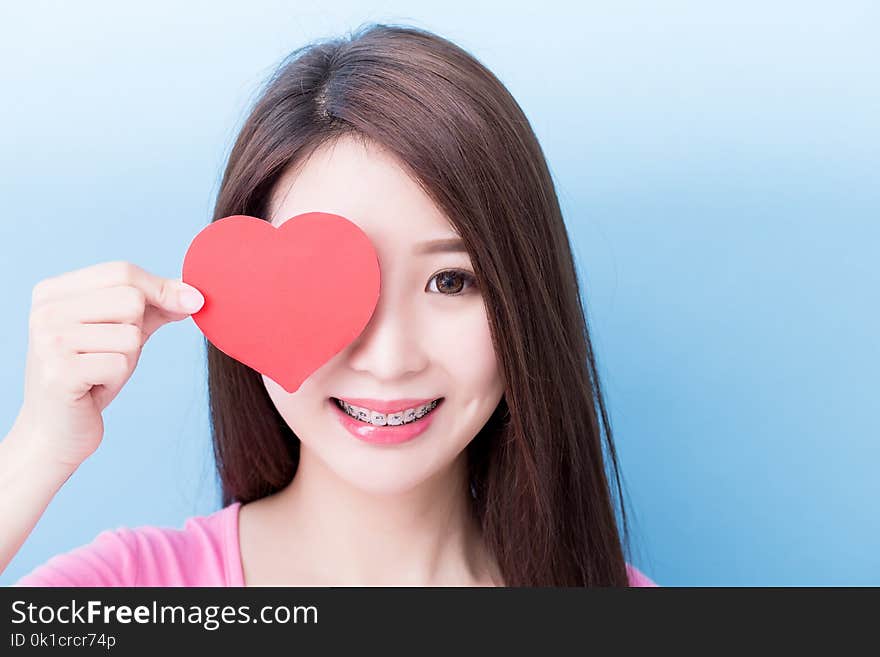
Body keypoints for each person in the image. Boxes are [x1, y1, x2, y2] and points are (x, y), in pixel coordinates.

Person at [2, 24, 656, 587]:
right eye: (323, 284)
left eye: (451, 281)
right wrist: (36, 449)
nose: (390, 359)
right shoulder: (134, 590)